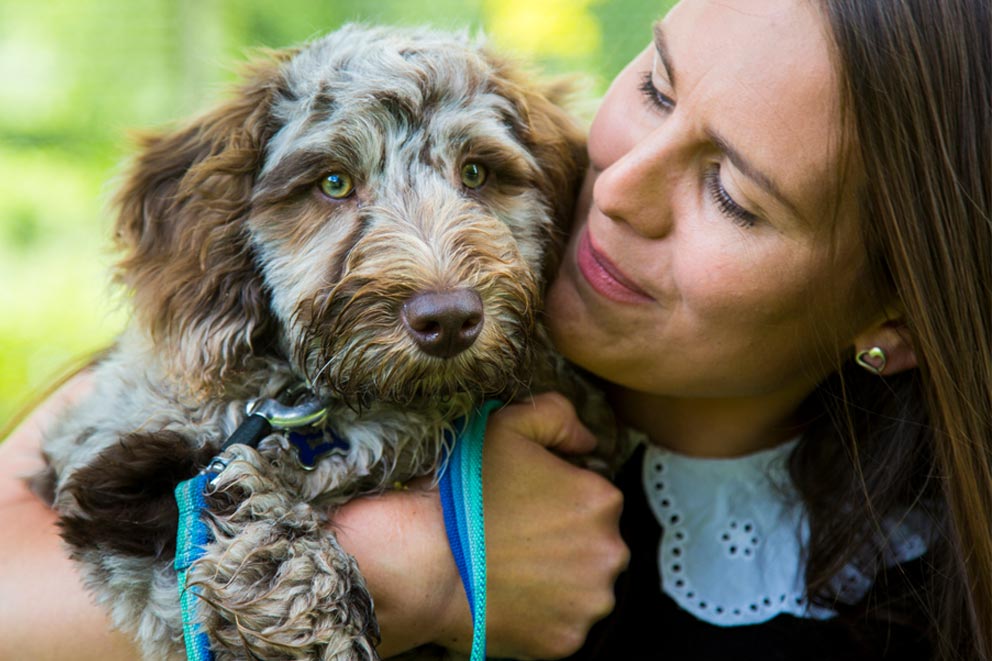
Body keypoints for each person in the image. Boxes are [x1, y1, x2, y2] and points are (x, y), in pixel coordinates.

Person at [1, 0, 989, 658]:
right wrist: (410, 567)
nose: (617, 188)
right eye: (654, 87)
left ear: (892, 315)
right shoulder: (287, 369)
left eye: (730, 193)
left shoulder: (935, 601)